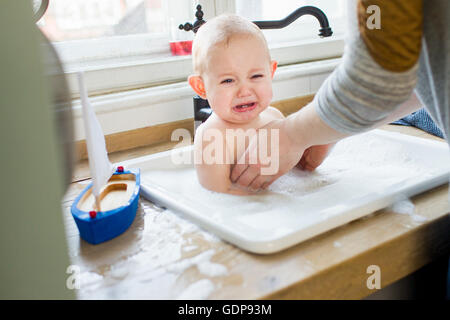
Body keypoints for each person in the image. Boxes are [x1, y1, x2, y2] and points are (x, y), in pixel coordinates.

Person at [188, 14, 287, 195]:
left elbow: (296, 168)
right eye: (228, 81)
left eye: (256, 76)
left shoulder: (275, 118)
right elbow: (218, 196)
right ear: (201, 87)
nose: (244, 91)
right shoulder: (212, 136)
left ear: (271, 72)